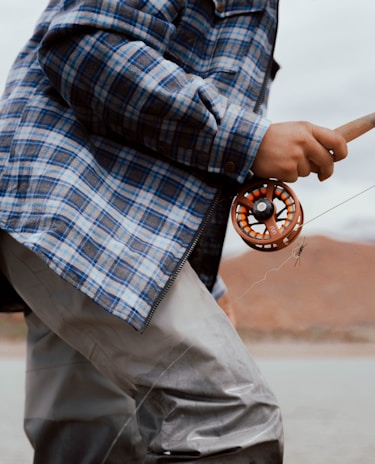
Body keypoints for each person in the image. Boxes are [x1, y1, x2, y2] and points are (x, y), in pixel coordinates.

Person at [0, 0, 347, 462]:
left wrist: (206, 282)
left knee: (91, 439)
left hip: (70, 231)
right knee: (229, 421)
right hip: (76, 212)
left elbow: (171, 155)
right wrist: (248, 139)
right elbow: (85, 48)